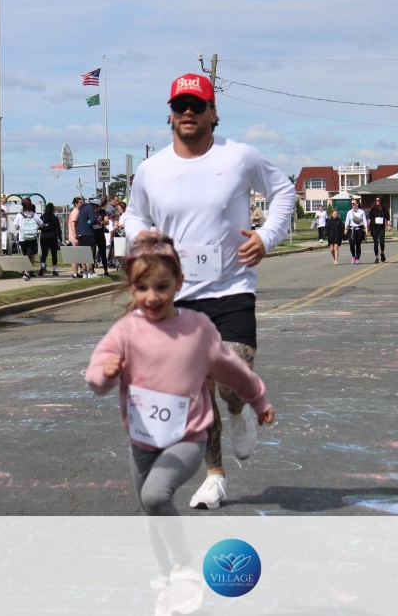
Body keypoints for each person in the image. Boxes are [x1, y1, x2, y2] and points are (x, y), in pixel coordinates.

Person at [123, 72, 294, 510]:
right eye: (179, 106)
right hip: (178, 297)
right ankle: (215, 476)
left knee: (230, 379)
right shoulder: (152, 169)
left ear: (213, 113)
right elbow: (133, 215)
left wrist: (266, 237)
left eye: (197, 106)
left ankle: (238, 409)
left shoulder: (239, 157)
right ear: (170, 115)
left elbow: (283, 191)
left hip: (231, 286)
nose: (188, 113)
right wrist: (141, 238)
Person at [85, 234, 273, 612]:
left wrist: (258, 399)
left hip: (187, 436)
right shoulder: (126, 330)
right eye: (142, 288)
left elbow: (231, 369)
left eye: (162, 287)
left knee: (156, 496)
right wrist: (106, 373)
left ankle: (185, 568)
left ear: (179, 284)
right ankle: (167, 577)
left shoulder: (196, 329)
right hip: (142, 440)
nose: (152, 297)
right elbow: (96, 379)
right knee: (151, 510)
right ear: (131, 287)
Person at [12, 197, 43, 281]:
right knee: (30, 255)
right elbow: (41, 223)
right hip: (32, 238)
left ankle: (26, 272)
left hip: (22, 238)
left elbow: (16, 226)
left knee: (25, 255)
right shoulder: (34, 215)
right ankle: (27, 272)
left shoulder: (19, 215)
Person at [76, 197, 101, 278]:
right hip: (88, 233)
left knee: (83, 253)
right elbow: (92, 220)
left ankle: (85, 272)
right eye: (97, 207)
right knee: (90, 252)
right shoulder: (90, 208)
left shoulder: (83, 208)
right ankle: (90, 272)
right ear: (95, 205)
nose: (96, 209)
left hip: (80, 233)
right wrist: (97, 221)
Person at [38, 202, 62, 276]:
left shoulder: (42, 217)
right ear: (52, 209)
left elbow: (39, 227)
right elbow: (58, 229)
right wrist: (60, 238)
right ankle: (54, 270)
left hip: (43, 237)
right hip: (52, 237)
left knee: (44, 253)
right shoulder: (54, 218)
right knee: (54, 254)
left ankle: (42, 266)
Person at [344, 198, 367, 264]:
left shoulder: (361, 212)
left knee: (358, 245)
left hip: (359, 229)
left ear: (357, 204)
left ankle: (357, 258)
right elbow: (347, 221)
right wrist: (345, 228)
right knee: (351, 244)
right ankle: (353, 256)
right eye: (351, 203)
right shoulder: (349, 212)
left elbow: (364, 221)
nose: (352, 205)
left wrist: (366, 229)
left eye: (353, 203)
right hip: (352, 229)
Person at [367, 197, 390, 263]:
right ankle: (376, 257)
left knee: (382, 242)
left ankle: (382, 252)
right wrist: (368, 227)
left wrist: (388, 225)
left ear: (381, 201)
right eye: (376, 200)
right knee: (376, 243)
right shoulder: (373, 209)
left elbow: (388, 218)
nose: (377, 201)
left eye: (378, 200)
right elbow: (369, 218)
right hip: (374, 228)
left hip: (381, 228)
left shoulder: (384, 208)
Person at [66, 197, 84, 278]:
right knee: (75, 256)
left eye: (82, 202)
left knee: (77, 256)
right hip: (74, 236)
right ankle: (74, 273)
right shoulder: (75, 213)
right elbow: (73, 225)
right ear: (76, 204)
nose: (82, 204)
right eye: (80, 203)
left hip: (75, 235)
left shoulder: (78, 212)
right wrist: (75, 236)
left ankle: (76, 273)